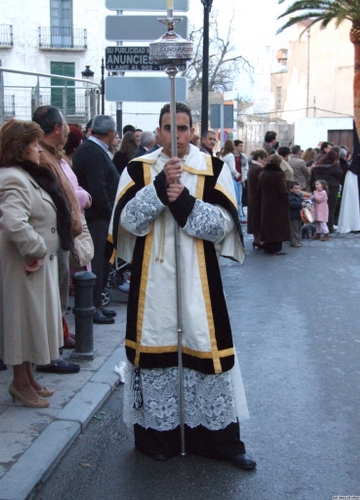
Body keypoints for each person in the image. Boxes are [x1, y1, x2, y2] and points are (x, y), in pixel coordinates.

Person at [108, 102, 256, 470]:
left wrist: (185, 201)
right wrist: (159, 189)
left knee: (204, 348)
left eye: (183, 128)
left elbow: (223, 227)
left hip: (197, 278)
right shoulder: (137, 169)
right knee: (156, 348)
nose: (175, 135)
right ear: (156, 132)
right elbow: (128, 222)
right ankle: (159, 437)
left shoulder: (213, 169)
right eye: (167, 128)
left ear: (193, 131)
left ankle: (218, 440)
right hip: (153, 280)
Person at [0, 119, 74, 407]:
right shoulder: (13, 177)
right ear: (20, 149)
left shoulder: (23, 174)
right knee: (22, 323)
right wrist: (38, 249)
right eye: (32, 144)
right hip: (24, 264)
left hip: (34, 264)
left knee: (33, 321)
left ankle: (28, 377)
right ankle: (19, 383)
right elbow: (13, 222)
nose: (38, 150)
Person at [32, 106, 82, 373]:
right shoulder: (40, 156)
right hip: (50, 238)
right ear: (57, 128)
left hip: (59, 236)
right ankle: (48, 356)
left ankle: (52, 351)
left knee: (57, 297)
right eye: (64, 124)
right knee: (51, 299)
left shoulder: (52, 154)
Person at [73, 115, 120, 324]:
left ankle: (98, 303)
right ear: (110, 133)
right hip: (97, 218)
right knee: (97, 262)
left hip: (101, 217)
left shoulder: (95, 150)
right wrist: (109, 212)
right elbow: (98, 187)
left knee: (103, 261)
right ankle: (92, 306)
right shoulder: (92, 151)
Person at [258, 154, 291, 255]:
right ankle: (276, 248)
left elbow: (259, 189)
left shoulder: (263, 173)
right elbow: (283, 191)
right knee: (277, 227)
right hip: (278, 204)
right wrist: (287, 200)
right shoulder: (278, 174)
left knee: (268, 225)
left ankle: (268, 246)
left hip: (266, 202)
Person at [310, 150, 343, 233]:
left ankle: (319, 229)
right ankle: (329, 228)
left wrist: (313, 189)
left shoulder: (316, 167)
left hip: (318, 189)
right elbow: (340, 175)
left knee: (318, 209)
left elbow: (312, 179)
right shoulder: (335, 168)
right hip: (332, 189)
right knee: (330, 209)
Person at [247, 149, 268, 248]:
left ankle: (257, 239)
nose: (265, 162)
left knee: (254, 217)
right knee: (258, 218)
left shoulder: (252, 167)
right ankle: (258, 240)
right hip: (258, 197)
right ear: (259, 158)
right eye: (264, 159)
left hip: (252, 196)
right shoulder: (258, 169)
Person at [220, 139, 243, 222]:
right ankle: (237, 217)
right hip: (231, 180)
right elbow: (232, 169)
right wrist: (239, 176)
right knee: (235, 199)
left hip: (222, 179)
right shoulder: (230, 156)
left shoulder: (221, 155)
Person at [233, 140, 248, 223]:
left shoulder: (243, 157)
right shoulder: (230, 156)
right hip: (233, 179)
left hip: (240, 181)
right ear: (235, 146)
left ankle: (241, 216)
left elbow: (246, 168)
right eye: (240, 146)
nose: (242, 147)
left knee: (239, 200)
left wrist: (244, 177)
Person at [288, 181, 306, 247]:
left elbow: (302, 200)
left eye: (298, 188)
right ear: (291, 189)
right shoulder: (291, 196)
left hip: (299, 215)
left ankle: (298, 240)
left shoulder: (300, 195)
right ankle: (294, 241)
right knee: (294, 229)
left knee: (298, 228)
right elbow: (292, 204)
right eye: (295, 188)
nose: (297, 190)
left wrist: (305, 203)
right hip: (293, 215)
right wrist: (300, 204)